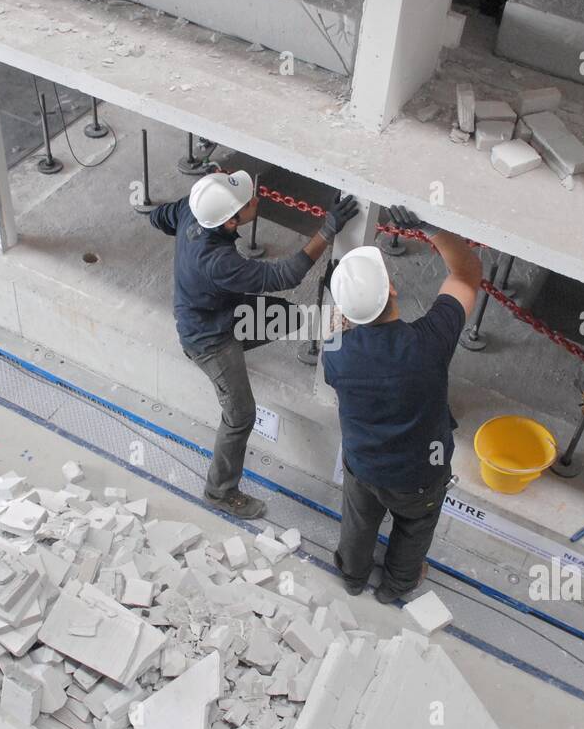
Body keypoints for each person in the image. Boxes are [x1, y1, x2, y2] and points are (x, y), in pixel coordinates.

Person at [149, 170, 359, 519]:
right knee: (240, 415)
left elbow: (160, 217)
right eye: (249, 201)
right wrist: (327, 229)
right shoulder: (219, 262)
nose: (257, 198)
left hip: (221, 311)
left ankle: (235, 351)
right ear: (231, 223)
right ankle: (220, 491)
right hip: (208, 339)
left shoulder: (193, 208)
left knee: (287, 317)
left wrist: (209, 190)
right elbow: (286, 275)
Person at [323, 206, 482, 602]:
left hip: (364, 466)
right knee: (414, 529)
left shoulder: (335, 352)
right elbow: (466, 276)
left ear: (343, 311)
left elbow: (341, 330)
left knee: (358, 525)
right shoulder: (428, 343)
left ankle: (353, 576)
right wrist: (432, 228)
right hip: (419, 474)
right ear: (392, 289)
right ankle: (395, 586)